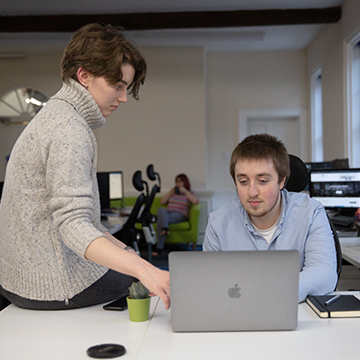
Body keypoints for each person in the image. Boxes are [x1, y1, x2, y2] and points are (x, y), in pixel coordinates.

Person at [0, 23, 170, 310]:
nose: (123, 98)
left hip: (22, 280)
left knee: (140, 268)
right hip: (53, 285)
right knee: (149, 287)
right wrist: (144, 271)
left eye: (126, 87)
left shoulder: (56, 116)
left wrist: (135, 260)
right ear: (84, 75)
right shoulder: (70, 130)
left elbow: (85, 223)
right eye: (117, 86)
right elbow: (74, 226)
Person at [203, 134, 337, 303]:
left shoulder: (311, 212)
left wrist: (273, 293)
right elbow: (209, 281)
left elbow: (324, 272)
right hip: (236, 313)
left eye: (263, 181)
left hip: (296, 313)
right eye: (243, 181)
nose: (252, 192)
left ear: (281, 181)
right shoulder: (218, 223)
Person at [153, 174, 199, 255]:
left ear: (185, 182)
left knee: (161, 219)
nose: (178, 184)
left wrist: (185, 191)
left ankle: (159, 247)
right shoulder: (173, 192)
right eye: (177, 182)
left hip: (179, 214)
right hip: (168, 213)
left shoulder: (190, 192)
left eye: (180, 181)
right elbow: (162, 202)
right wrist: (170, 192)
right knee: (160, 210)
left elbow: (195, 201)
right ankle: (165, 228)